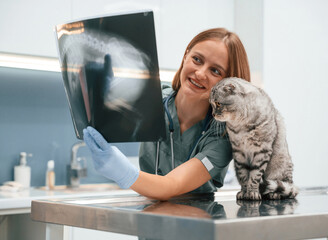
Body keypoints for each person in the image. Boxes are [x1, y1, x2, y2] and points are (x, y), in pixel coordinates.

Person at [83, 28, 251, 200]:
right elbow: (109, 119)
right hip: (150, 211)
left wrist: (123, 172)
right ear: (186, 56)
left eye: (215, 71)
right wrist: (101, 96)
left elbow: (173, 185)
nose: (200, 73)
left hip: (197, 218)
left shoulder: (223, 137)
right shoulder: (154, 100)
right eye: (197, 59)